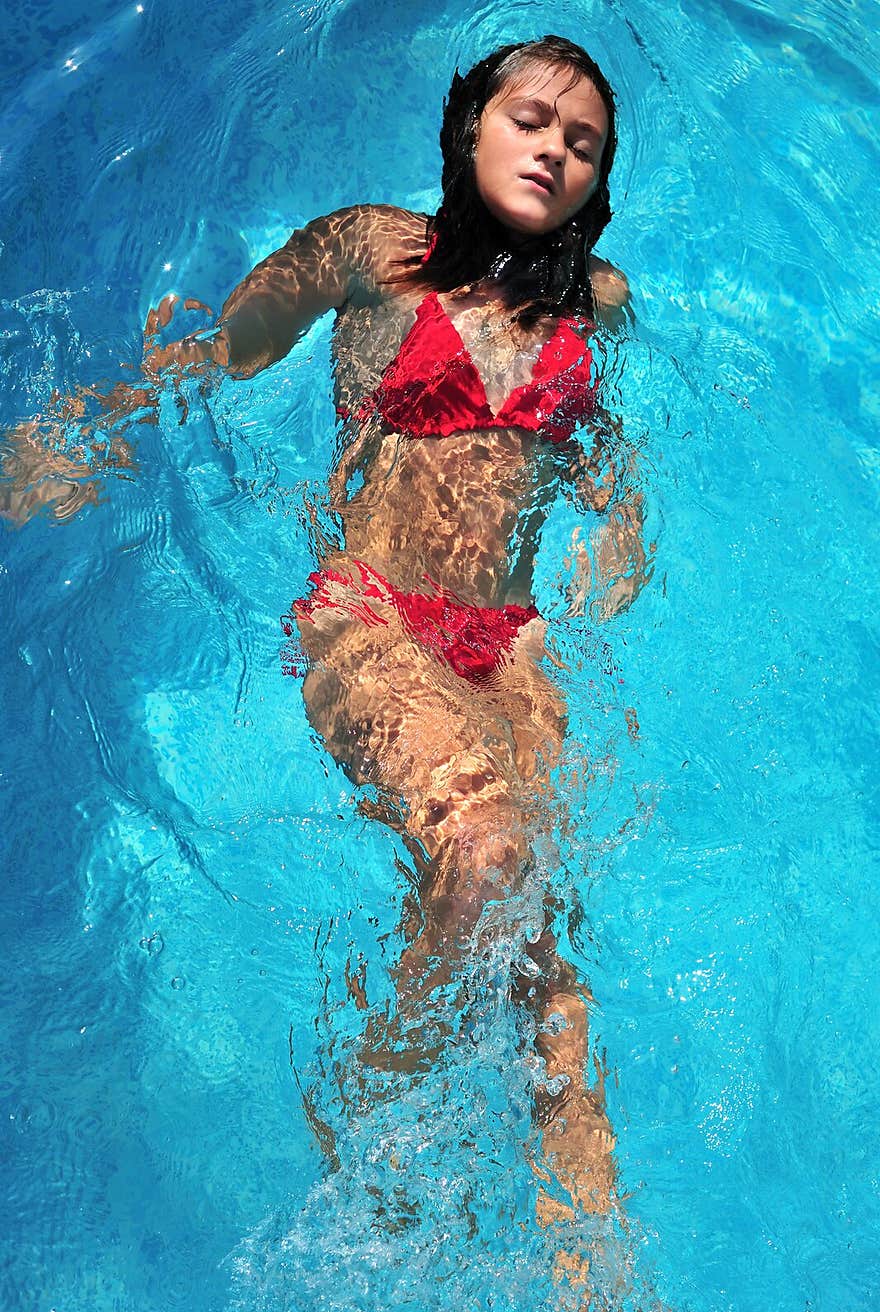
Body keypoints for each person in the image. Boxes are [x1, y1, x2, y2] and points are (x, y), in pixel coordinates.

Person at [2, 35, 649, 1247]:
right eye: (530, 120)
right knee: (491, 849)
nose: (553, 149)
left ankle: (591, 1257)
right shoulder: (371, 250)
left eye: (582, 143)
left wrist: (618, 522)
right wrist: (97, 425)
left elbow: (600, 437)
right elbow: (226, 349)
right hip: (373, 613)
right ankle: (373, 1149)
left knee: (548, 960)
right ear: (468, 129)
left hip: (510, 644)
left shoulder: (599, 305)